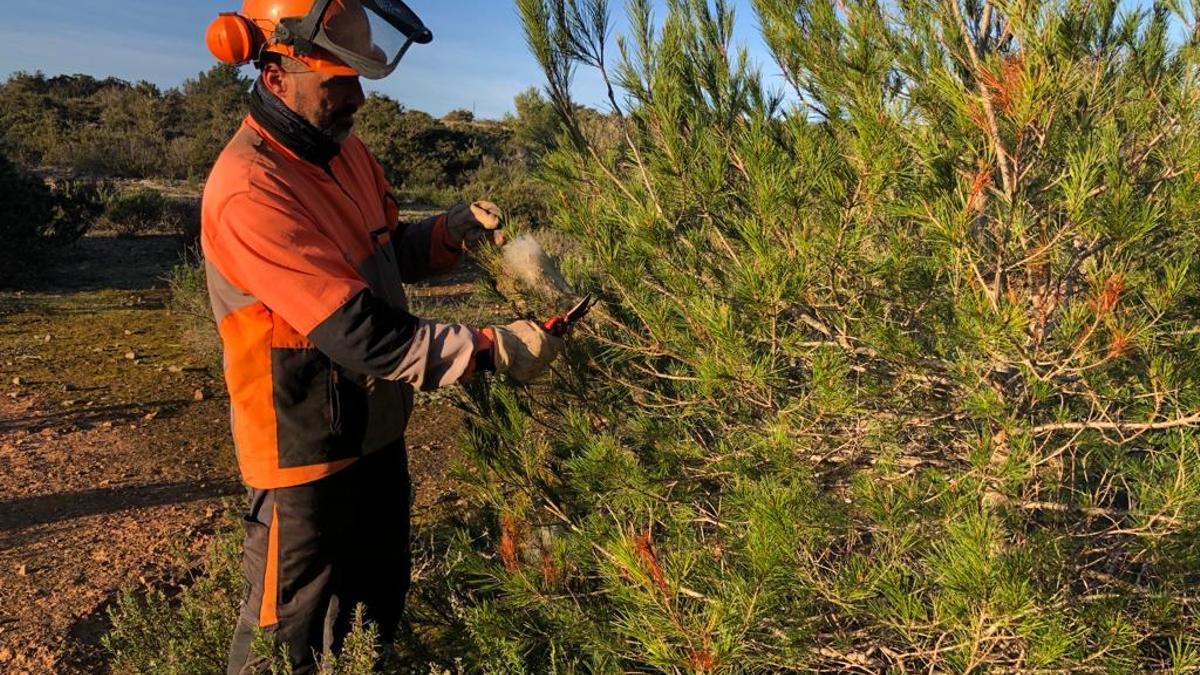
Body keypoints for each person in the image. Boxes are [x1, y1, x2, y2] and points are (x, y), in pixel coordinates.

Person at [201, 1, 564, 671]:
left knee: (373, 619)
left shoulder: (345, 153)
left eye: (359, 78)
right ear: (276, 73)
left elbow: (384, 251)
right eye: (338, 81)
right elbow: (361, 332)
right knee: (289, 646)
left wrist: (446, 233)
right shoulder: (250, 188)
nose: (358, 98)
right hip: (302, 457)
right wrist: (491, 348)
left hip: (376, 434)